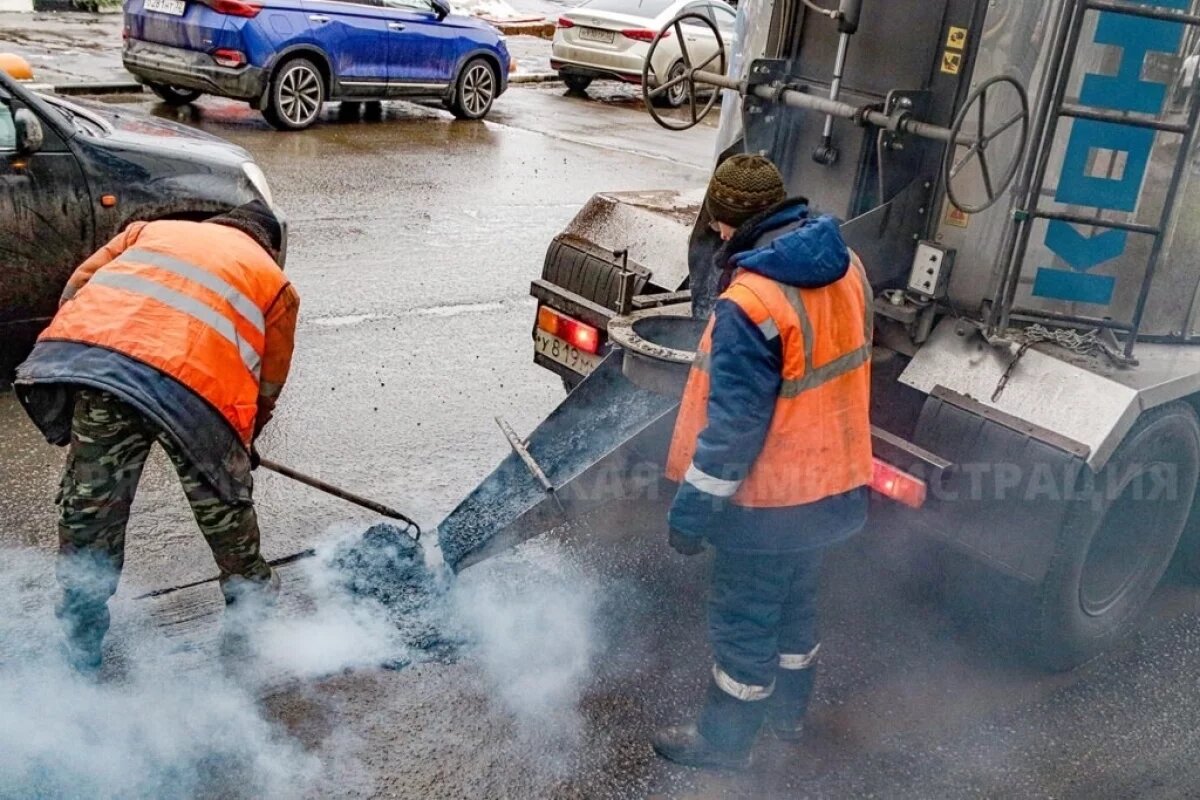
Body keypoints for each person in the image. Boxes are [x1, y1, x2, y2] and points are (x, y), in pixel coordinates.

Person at [653, 154, 873, 769]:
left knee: (746, 618)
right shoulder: (848, 265)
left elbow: (733, 431)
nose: (718, 236)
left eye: (718, 226)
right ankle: (788, 717)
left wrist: (690, 514)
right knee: (797, 605)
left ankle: (723, 744)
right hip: (833, 485)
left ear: (727, 223)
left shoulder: (749, 303)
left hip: (770, 503)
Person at [14, 200, 300, 672]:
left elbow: (76, 290)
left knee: (92, 507)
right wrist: (245, 442)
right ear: (269, 244)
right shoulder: (275, 282)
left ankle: (79, 639)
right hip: (197, 400)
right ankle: (252, 616)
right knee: (222, 506)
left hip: (106, 373)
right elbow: (269, 382)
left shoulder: (147, 232)